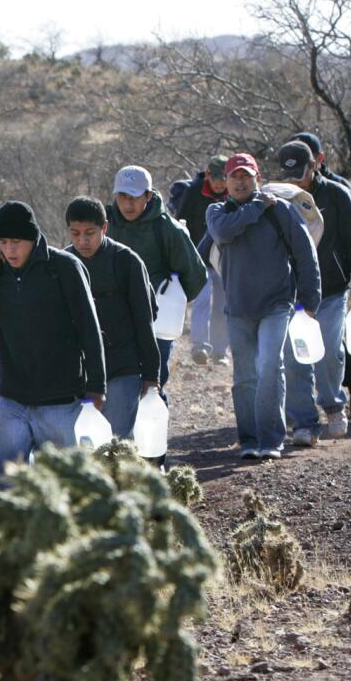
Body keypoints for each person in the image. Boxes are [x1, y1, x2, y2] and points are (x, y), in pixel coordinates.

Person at [0, 201, 105, 487]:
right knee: (4, 484)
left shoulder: (64, 267)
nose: (10, 250)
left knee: (62, 485)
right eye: (4, 242)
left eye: (16, 242)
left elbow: (89, 327)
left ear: (32, 239)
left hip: (60, 400)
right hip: (13, 399)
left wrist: (96, 385)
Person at [206, 153, 321, 460]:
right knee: (244, 377)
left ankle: (271, 441)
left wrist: (310, 298)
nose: (241, 182)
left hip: (277, 303)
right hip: (238, 309)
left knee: (270, 366)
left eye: (247, 176)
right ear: (226, 182)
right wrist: (257, 207)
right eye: (235, 177)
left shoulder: (280, 210)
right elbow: (223, 233)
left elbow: (304, 252)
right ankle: (249, 441)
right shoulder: (217, 212)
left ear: (256, 178)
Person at [276, 139, 351, 447]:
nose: (294, 182)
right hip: (294, 292)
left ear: (314, 166)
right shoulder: (277, 198)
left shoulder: (337, 195)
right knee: (294, 358)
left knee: (330, 350)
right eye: (288, 176)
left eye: (300, 174)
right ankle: (304, 421)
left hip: (332, 289)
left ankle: (333, 404)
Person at [62, 197, 160, 441]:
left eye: (90, 233)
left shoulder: (126, 261)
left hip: (122, 366)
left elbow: (145, 320)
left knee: (116, 443)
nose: (82, 241)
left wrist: (151, 376)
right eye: (75, 233)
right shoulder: (62, 264)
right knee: (81, 445)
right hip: (77, 373)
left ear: (104, 228)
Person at [106, 165, 207, 391]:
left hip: (158, 318)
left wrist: (173, 301)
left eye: (134, 197)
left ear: (148, 196)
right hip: (114, 317)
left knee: (153, 383)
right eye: (122, 196)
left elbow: (196, 274)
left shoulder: (168, 229)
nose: (128, 204)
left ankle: (154, 424)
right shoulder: (104, 225)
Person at [172, 155, 230, 365]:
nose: (220, 183)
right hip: (199, 257)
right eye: (216, 178)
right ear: (207, 175)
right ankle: (200, 346)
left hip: (225, 259)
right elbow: (181, 224)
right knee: (202, 301)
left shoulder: (234, 193)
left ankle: (220, 350)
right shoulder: (194, 192)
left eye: (224, 177)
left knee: (223, 304)